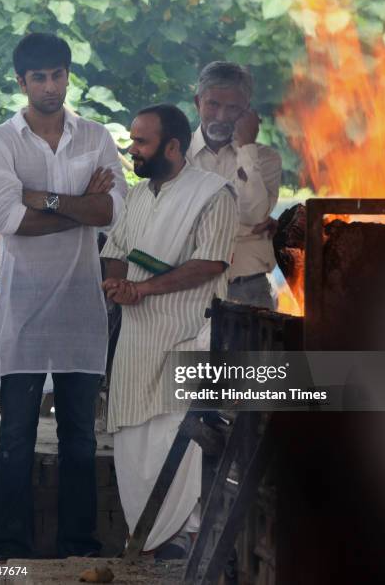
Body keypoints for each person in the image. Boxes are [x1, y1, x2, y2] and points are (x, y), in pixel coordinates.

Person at [0, 32, 127, 561]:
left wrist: (45, 199)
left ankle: (78, 546)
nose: (50, 85)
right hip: (22, 309)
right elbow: (10, 219)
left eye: (58, 74)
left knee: (79, 438)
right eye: (38, 77)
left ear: (68, 75)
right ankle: (8, 549)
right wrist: (78, 203)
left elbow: (114, 212)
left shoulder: (95, 137)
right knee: (15, 435)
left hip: (81, 309)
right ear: (21, 83)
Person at [101, 104, 237, 556]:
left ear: (174, 146)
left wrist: (145, 289)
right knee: (132, 442)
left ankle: (183, 541)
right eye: (133, 141)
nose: (132, 150)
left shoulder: (214, 194)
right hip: (135, 342)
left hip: (185, 337)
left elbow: (210, 262)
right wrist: (117, 282)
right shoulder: (139, 194)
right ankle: (148, 543)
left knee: (175, 440)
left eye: (141, 142)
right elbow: (118, 247)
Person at [186, 61, 282, 309]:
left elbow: (253, 213)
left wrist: (246, 147)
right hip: (185, 287)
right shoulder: (176, 154)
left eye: (232, 109)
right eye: (213, 104)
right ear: (198, 103)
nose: (221, 116)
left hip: (248, 288)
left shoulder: (266, 159)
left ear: (246, 111)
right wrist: (241, 230)